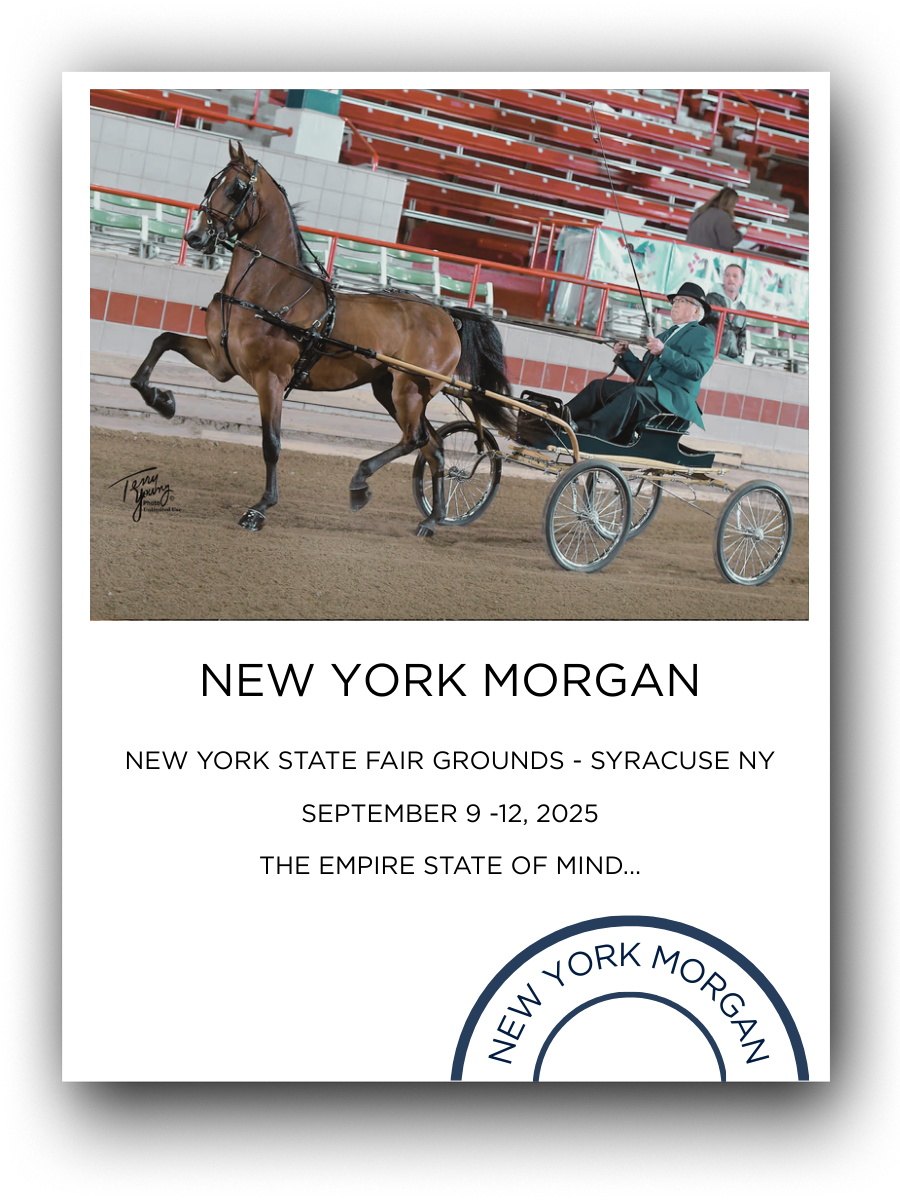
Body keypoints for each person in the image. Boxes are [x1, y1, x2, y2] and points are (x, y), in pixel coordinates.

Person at [564, 282, 715, 443]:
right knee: (599, 387)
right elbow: (644, 374)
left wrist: (665, 352)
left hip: (673, 398)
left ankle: (586, 431)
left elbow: (697, 370)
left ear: (697, 310)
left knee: (635, 393)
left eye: (682, 301)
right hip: (650, 392)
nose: (675, 305)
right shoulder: (665, 336)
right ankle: (560, 418)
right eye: (675, 301)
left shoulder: (703, 335)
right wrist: (625, 354)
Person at [707, 263, 747, 360]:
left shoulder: (742, 307)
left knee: (752, 368)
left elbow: (742, 335)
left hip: (732, 354)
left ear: (741, 281)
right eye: (727, 275)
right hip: (712, 352)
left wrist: (738, 350)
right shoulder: (710, 299)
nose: (731, 279)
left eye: (735, 276)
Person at [685, 187, 743, 252]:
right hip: (709, 255)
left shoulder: (700, 211)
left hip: (691, 252)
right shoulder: (722, 217)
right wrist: (740, 233)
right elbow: (728, 241)